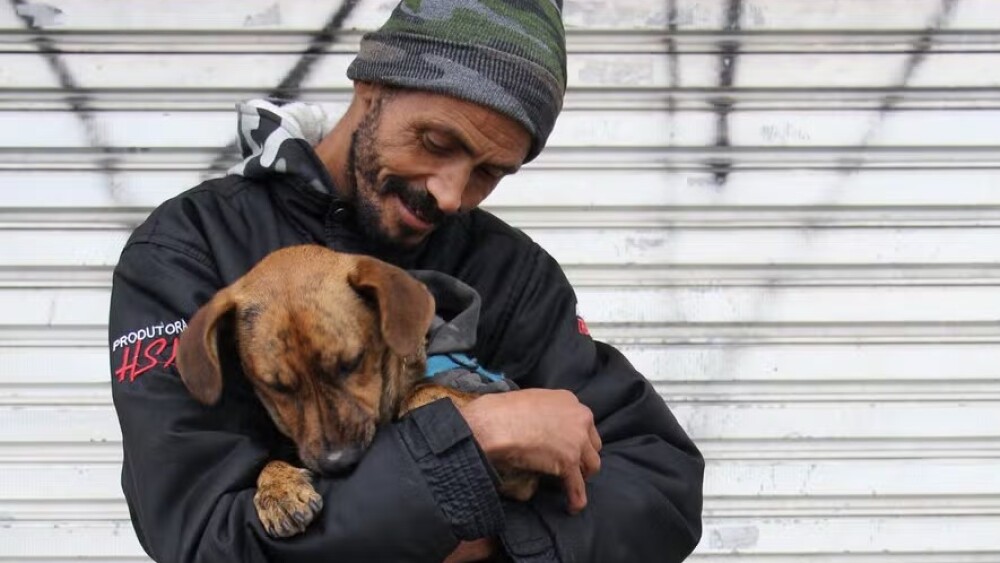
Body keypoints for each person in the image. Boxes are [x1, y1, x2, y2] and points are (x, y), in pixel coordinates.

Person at [108, 0, 704, 561]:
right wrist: (473, 438)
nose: (450, 194)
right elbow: (203, 536)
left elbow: (660, 486)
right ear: (371, 87)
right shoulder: (190, 249)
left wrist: (499, 541)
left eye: (489, 172)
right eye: (436, 141)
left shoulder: (512, 271)